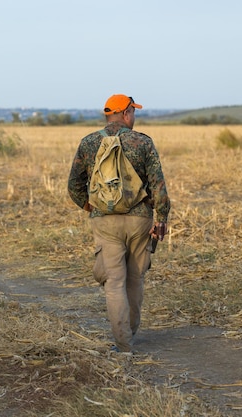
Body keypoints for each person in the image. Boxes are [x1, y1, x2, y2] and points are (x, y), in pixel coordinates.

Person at [67, 94, 170, 353]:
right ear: (126, 114)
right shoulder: (142, 142)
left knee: (114, 282)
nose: (134, 117)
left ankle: (123, 344)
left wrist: (89, 205)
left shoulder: (89, 142)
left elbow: (74, 185)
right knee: (135, 278)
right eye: (133, 112)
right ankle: (132, 332)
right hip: (139, 221)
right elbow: (158, 184)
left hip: (105, 222)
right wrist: (162, 218)